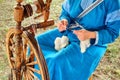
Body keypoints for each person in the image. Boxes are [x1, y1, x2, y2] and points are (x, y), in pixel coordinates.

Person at [35, 0, 120, 80]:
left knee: (57, 61)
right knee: (36, 43)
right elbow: (65, 12)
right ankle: (40, 75)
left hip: (91, 42)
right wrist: (64, 20)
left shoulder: (113, 2)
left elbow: (112, 33)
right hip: (69, 30)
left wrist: (90, 34)